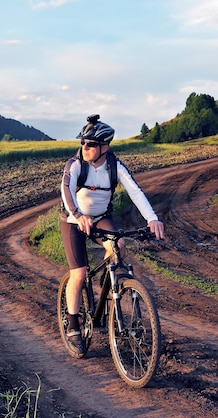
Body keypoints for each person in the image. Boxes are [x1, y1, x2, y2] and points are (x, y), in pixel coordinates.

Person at [60, 114, 165, 356]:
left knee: (119, 245)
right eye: (83, 143)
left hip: (100, 218)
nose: (85, 148)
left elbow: (136, 192)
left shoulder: (115, 167)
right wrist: (78, 213)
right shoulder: (76, 165)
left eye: (91, 144)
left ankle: (111, 284)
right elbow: (66, 192)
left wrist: (152, 218)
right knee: (79, 273)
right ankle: (73, 324)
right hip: (73, 220)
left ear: (104, 147)